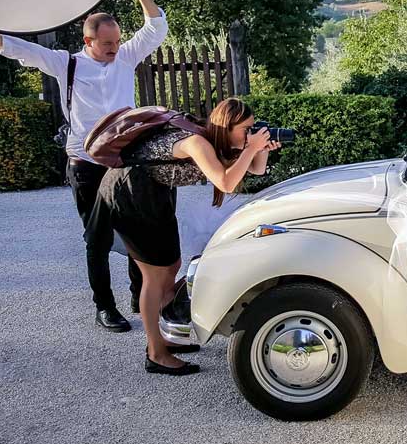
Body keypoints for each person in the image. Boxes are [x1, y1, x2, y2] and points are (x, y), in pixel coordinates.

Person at [0, 0, 168, 332]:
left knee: (135, 230)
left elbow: (156, 27)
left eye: (117, 41)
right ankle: (104, 307)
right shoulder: (67, 64)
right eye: (107, 44)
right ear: (89, 42)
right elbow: (13, 47)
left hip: (125, 159)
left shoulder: (127, 56)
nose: (115, 48)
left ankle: (137, 294)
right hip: (84, 162)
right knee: (96, 236)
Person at [92, 98, 279, 375]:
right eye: (246, 128)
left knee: (171, 267)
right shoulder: (197, 143)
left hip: (155, 192)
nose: (249, 134)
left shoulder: (223, 144)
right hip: (130, 192)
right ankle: (155, 353)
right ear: (226, 126)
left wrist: (258, 149)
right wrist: (251, 148)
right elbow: (226, 182)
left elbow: (256, 170)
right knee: (155, 276)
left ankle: (165, 339)